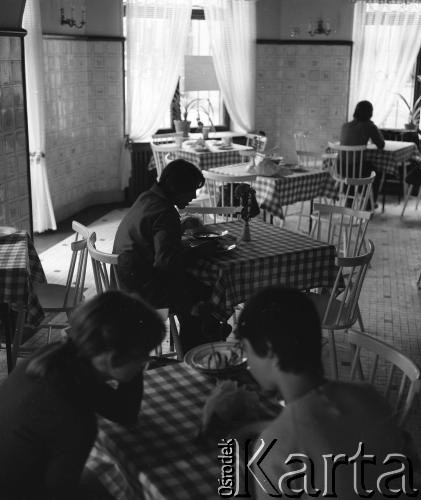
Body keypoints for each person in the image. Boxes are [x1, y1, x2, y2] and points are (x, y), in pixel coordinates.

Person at [235, 286, 418, 499]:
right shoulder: (371, 397)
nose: (248, 361)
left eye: (246, 350)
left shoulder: (275, 448)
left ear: (268, 349)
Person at [0, 291, 165, 499]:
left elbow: (124, 412)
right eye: (143, 356)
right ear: (113, 359)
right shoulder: (77, 421)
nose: (145, 363)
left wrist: (129, 360)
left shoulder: (56, 357)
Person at [113, 159, 230, 352]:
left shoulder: (147, 197)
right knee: (206, 288)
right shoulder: (165, 212)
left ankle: (203, 333)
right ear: (176, 187)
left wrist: (178, 234)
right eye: (191, 189)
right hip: (146, 291)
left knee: (194, 288)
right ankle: (198, 348)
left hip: (126, 281)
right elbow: (167, 263)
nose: (193, 196)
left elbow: (155, 242)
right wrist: (199, 251)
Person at [340, 100, 385, 203]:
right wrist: (374, 126)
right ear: (370, 113)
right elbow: (381, 144)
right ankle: (369, 203)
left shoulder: (345, 125)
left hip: (340, 168)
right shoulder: (369, 126)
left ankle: (349, 201)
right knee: (377, 171)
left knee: (353, 166)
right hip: (356, 170)